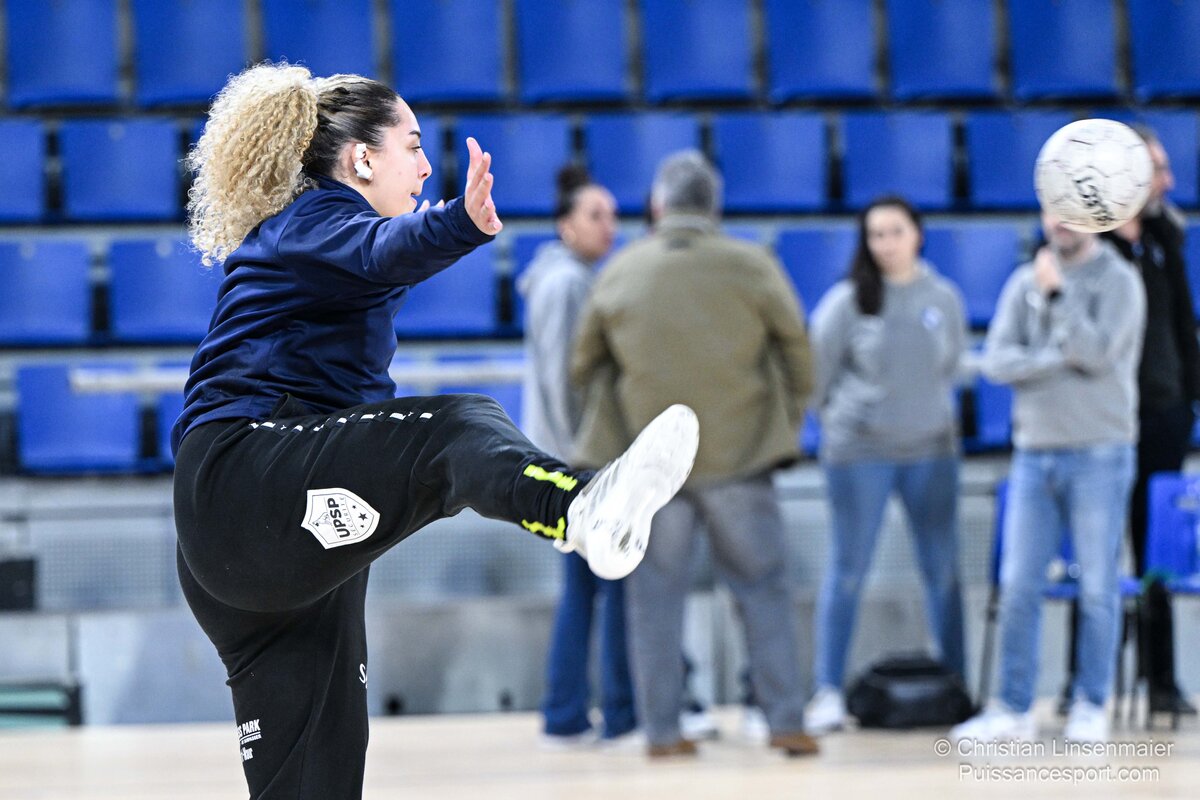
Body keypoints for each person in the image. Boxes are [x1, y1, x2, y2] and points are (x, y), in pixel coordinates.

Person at [171, 63, 698, 799]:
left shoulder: (307, 238)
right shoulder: (312, 220)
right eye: (413, 146)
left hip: (254, 544)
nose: (424, 166)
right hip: (245, 479)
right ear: (361, 159)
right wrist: (461, 222)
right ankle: (578, 506)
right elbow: (383, 250)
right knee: (455, 427)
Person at [571, 150, 818, 758]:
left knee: (653, 602)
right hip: (742, 460)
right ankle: (786, 722)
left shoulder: (621, 271)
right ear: (715, 207)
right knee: (763, 592)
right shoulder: (752, 265)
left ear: (658, 207)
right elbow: (799, 353)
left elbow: (583, 367)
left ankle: (662, 732)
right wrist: (781, 425)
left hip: (653, 471)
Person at [953, 210, 1145, 745]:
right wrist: (1057, 358)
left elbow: (1096, 354)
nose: (1062, 222)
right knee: (1018, 584)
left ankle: (1091, 703)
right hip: (1033, 454)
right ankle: (1014, 708)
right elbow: (996, 363)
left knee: (1098, 586)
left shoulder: (1119, 281)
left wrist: (1058, 298)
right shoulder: (1023, 282)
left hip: (1100, 451)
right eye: (1053, 210)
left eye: (1073, 212)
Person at [806, 196, 968, 734]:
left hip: (932, 452)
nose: (885, 244)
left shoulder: (943, 298)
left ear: (917, 234)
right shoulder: (846, 302)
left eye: (895, 231)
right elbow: (816, 379)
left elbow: (950, 365)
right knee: (848, 572)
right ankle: (828, 690)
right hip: (860, 456)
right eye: (875, 234)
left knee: (943, 573)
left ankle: (958, 687)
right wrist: (849, 422)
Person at [518, 165, 636, 746]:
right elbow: (567, 382)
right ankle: (612, 712)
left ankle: (567, 713)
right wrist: (582, 465)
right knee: (607, 589)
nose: (609, 225)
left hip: (570, 460)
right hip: (578, 462)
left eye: (612, 214)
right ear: (566, 224)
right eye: (595, 215)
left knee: (586, 590)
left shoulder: (565, 276)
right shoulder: (566, 284)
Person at [1100, 126, 1199, 717]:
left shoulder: (1166, 236)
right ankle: (1087, 684)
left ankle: (1160, 680)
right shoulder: (1090, 243)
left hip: (1163, 415)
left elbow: (1184, 325)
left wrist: (1190, 398)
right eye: (1157, 169)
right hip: (1104, 421)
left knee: (1156, 553)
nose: (1169, 180)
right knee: (1095, 551)